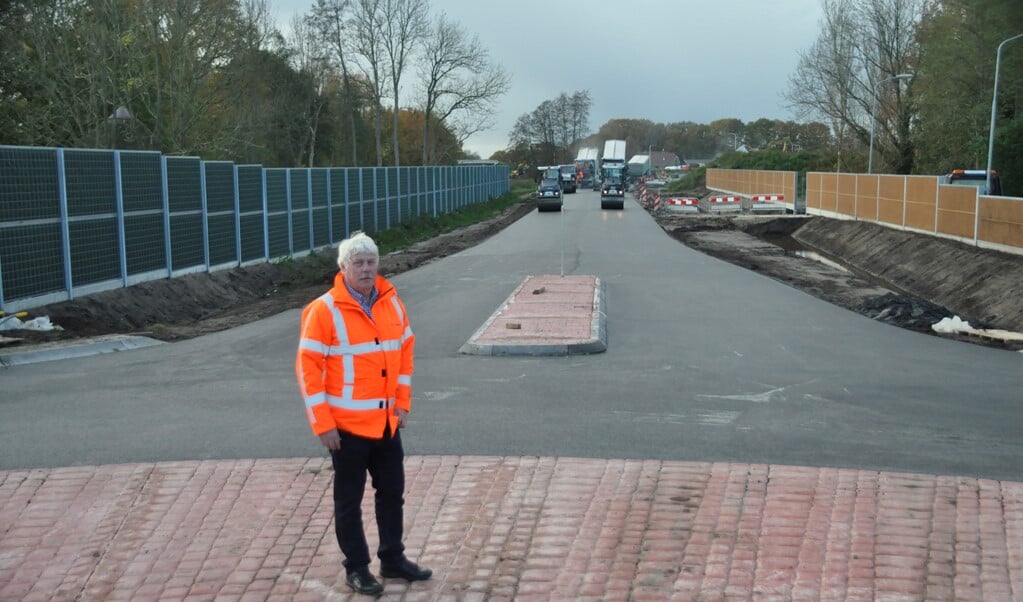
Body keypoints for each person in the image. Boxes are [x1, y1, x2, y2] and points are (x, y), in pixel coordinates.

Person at [296, 231, 432, 596]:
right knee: (348, 502)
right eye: (358, 263)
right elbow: (308, 370)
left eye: (371, 262)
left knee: (392, 494)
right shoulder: (323, 310)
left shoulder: (391, 303)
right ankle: (357, 568)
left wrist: (403, 404)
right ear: (343, 267)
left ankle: (392, 558)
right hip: (347, 429)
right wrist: (322, 424)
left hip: (387, 425)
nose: (366, 269)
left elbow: (405, 355)